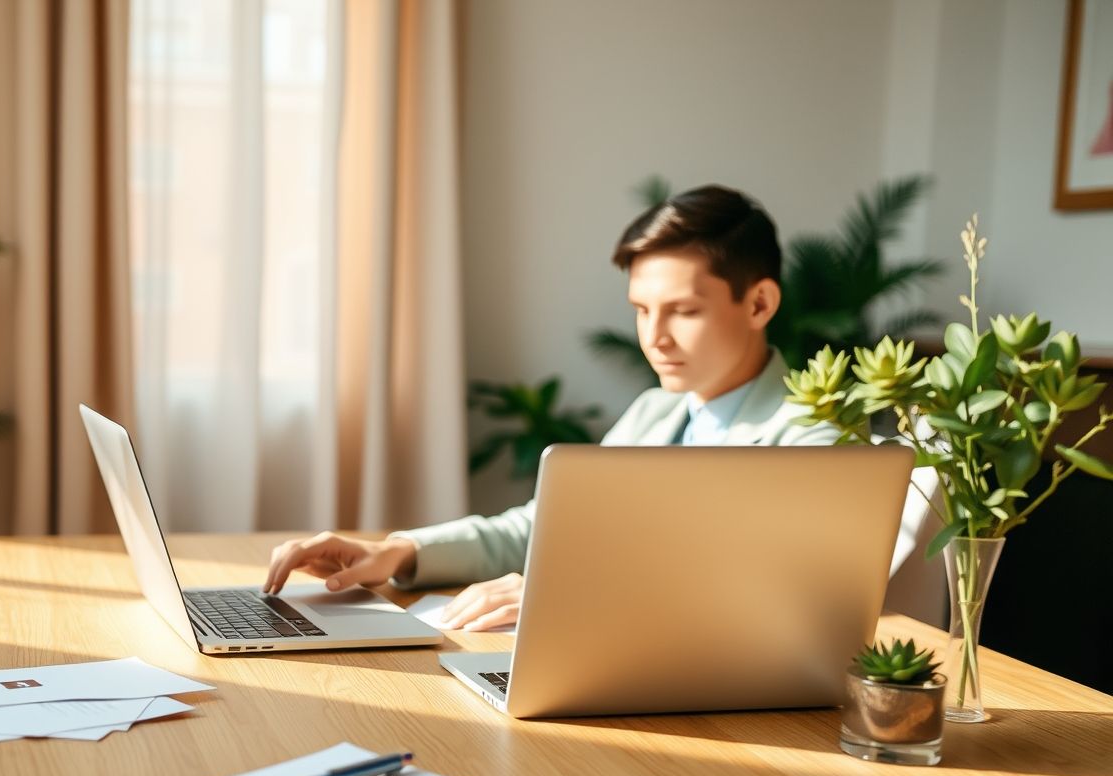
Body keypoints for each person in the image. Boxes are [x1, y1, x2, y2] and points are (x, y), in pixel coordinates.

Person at [261, 184, 846, 630]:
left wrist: (575, 591)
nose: (655, 337)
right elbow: (546, 528)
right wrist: (395, 551)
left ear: (760, 303)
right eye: (642, 310)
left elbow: (763, 587)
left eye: (683, 311)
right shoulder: (654, 413)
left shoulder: (816, 435)